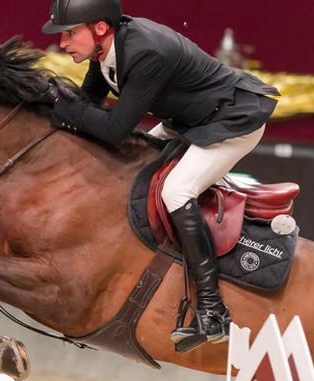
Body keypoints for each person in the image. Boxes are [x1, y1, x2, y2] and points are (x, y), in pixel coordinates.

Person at [42, 0, 279, 352]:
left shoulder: (145, 51)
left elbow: (114, 129)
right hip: (191, 118)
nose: (62, 43)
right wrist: (51, 104)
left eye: (69, 33)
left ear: (100, 28)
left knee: (175, 191)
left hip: (231, 119)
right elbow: (88, 102)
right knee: (134, 167)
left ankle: (213, 311)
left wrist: (59, 106)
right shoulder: (104, 52)